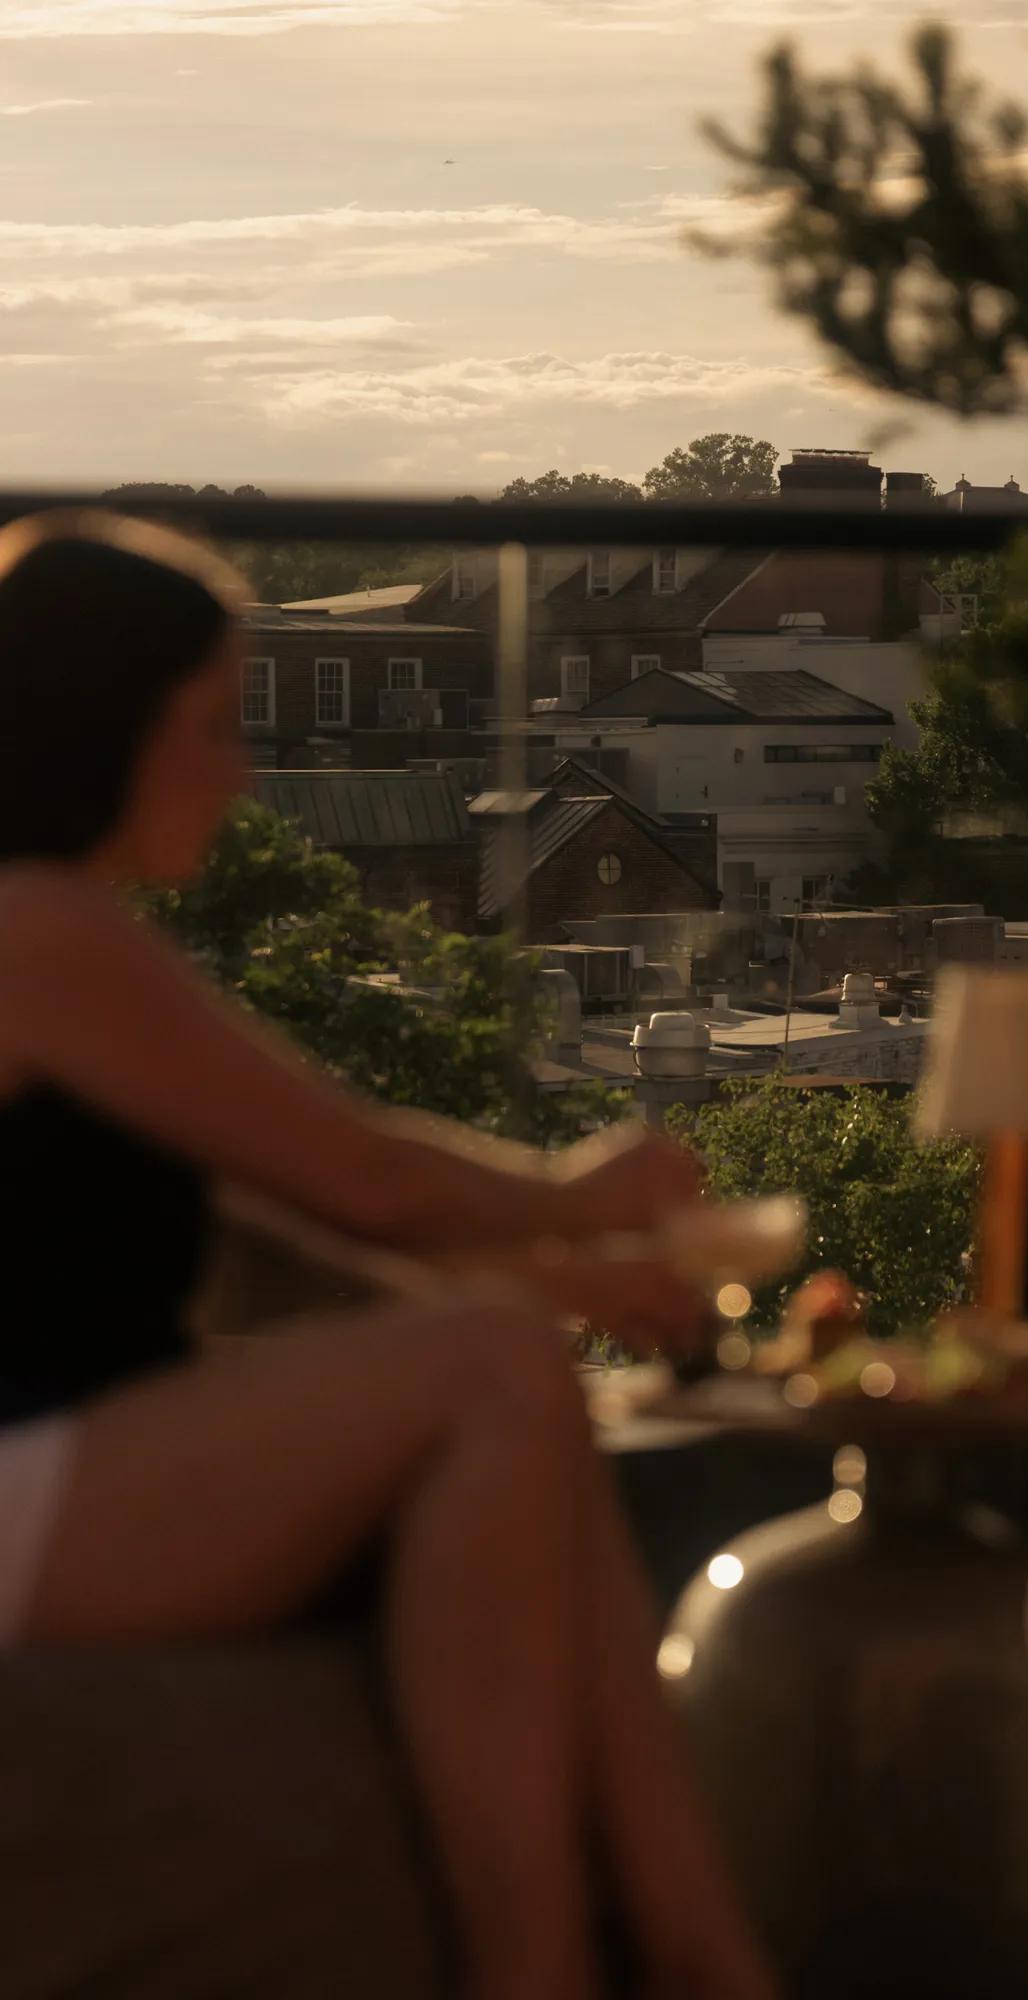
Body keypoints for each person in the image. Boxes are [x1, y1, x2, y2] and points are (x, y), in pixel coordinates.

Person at [0, 510, 775, 2000]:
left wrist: (562, 1282)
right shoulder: (34, 927)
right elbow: (363, 1178)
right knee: (498, 1375)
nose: (241, 774)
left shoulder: (55, 928)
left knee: (527, 1418)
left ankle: (701, 1963)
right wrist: (578, 1193)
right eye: (212, 727)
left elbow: (277, 1232)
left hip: (59, 1465)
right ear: (105, 723)